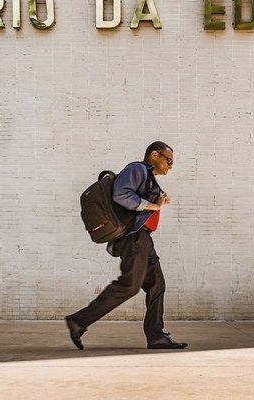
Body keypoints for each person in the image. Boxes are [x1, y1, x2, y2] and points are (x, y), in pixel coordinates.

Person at [65, 141, 188, 350]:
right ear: (155, 155)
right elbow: (120, 195)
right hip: (133, 238)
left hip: (143, 239)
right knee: (129, 285)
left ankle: (156, 336)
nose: (170, 167)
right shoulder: (137, 169)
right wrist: (154, 205)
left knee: (157, 283)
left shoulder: (148, 179)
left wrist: (158, 203)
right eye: (169, 161)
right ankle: (79, 321)